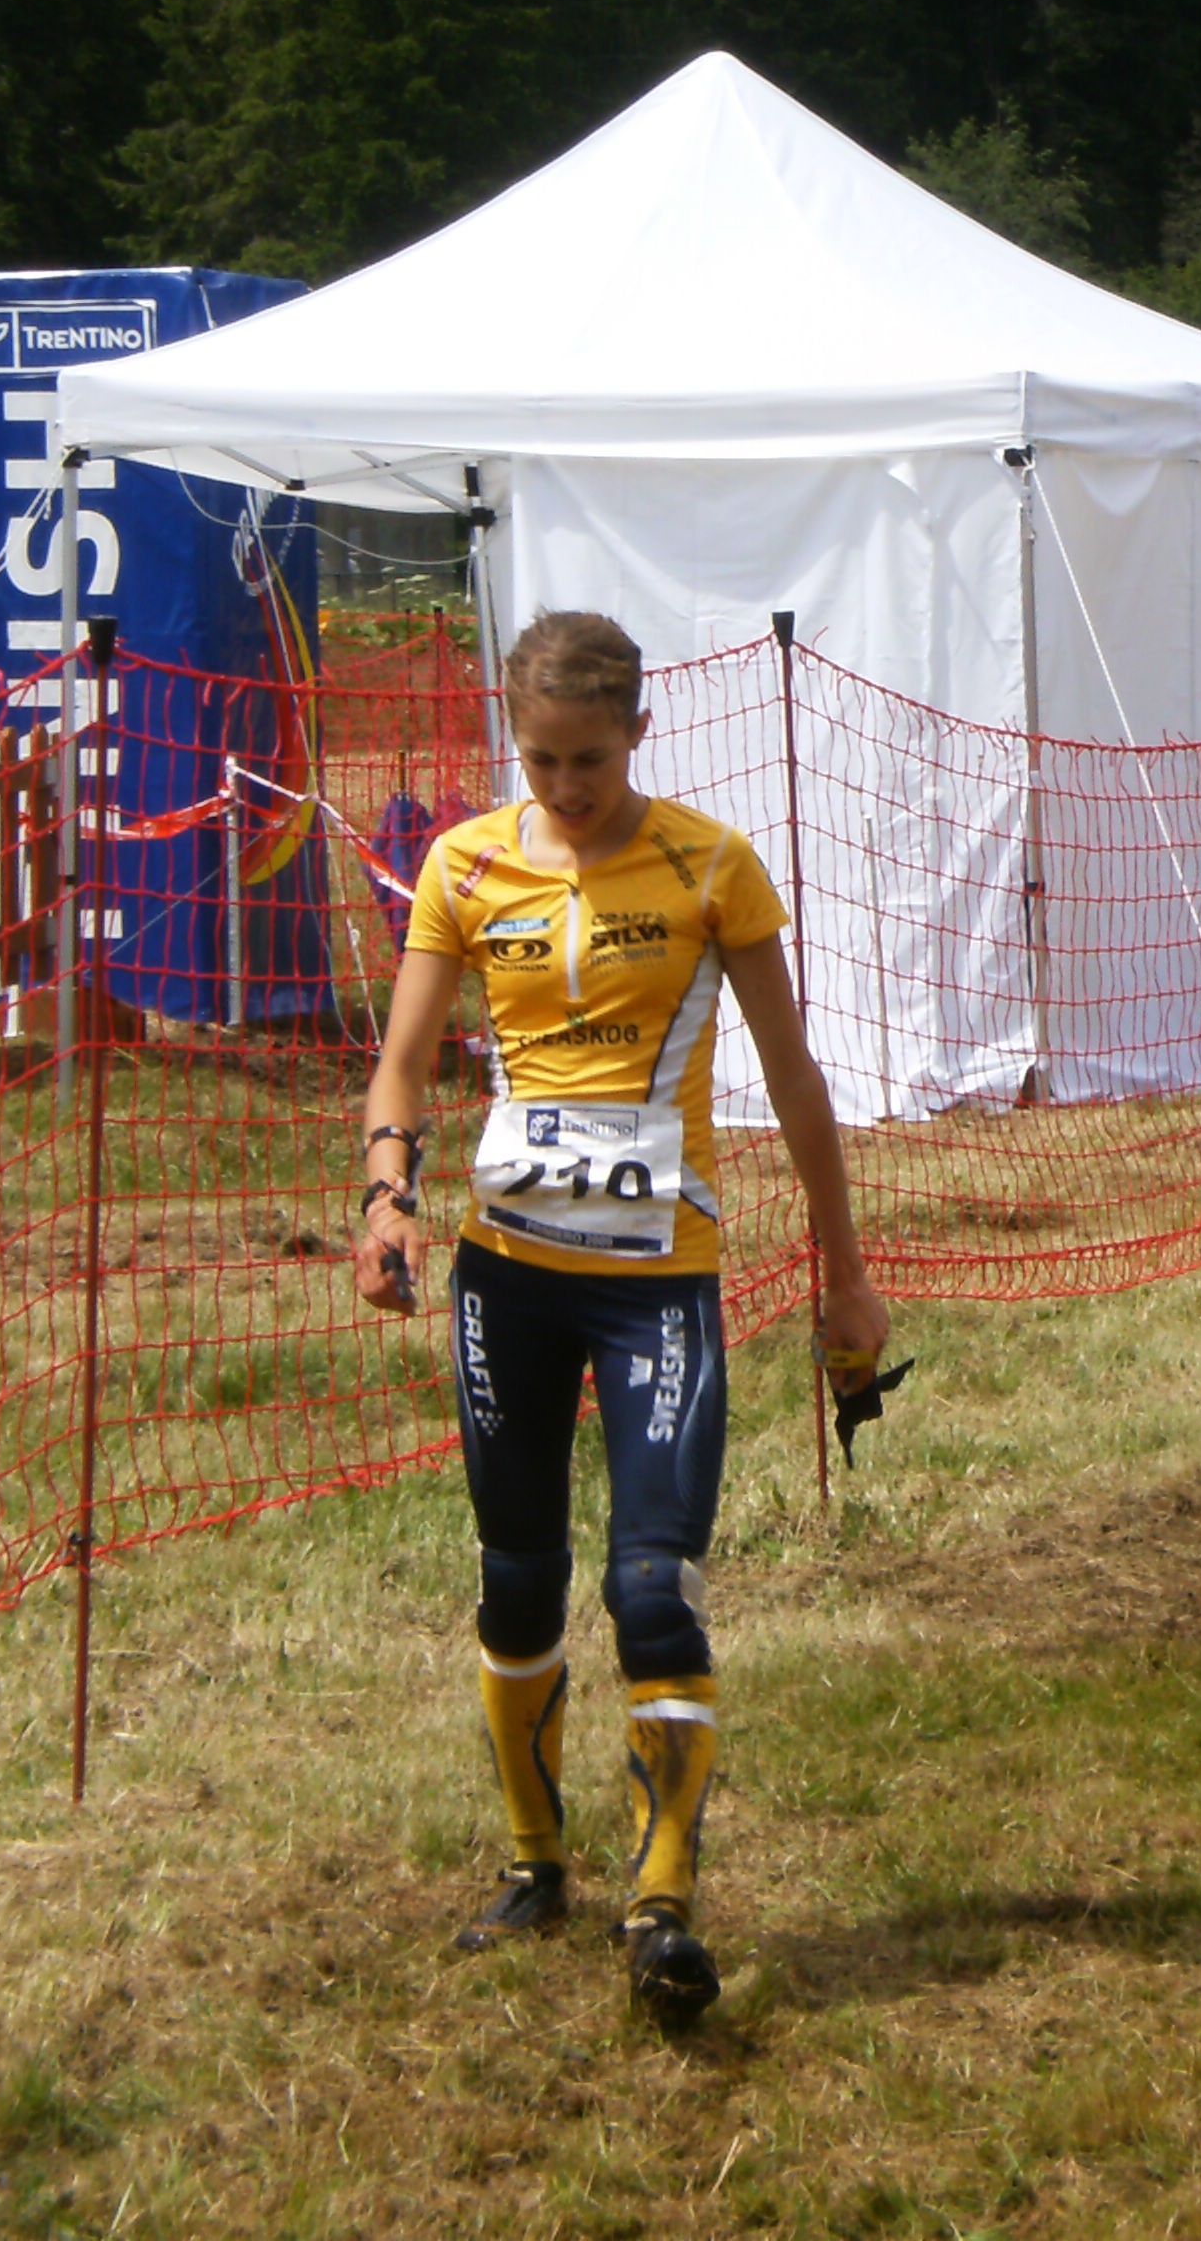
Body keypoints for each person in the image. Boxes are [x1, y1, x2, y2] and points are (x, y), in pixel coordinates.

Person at [356, 609, 891, 2025]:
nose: (566, 785)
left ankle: (662, 1902)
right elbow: (401, 1063)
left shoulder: (712, 866)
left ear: (639, 734)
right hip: (509, 1275)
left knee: (653, 1584)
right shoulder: (465, 864)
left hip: (657, 1282)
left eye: (590, 759)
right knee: (517, 1579)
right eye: (540, 759)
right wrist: (387, 1195)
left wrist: (843, 1268)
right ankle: (535, 1864)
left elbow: (793, 1077)